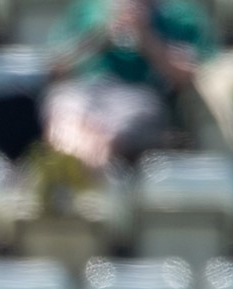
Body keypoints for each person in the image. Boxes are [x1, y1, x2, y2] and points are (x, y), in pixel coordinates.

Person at [39, 0, 217, 174]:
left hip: (141, 95)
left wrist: (146, 36)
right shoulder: (88, 7)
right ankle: (73, 176)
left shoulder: (180, 14)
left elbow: (192, 75)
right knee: (66, 115)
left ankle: (77, 177)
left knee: (110, 132)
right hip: (83, 89)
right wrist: (101, 33)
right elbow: (55, 67)